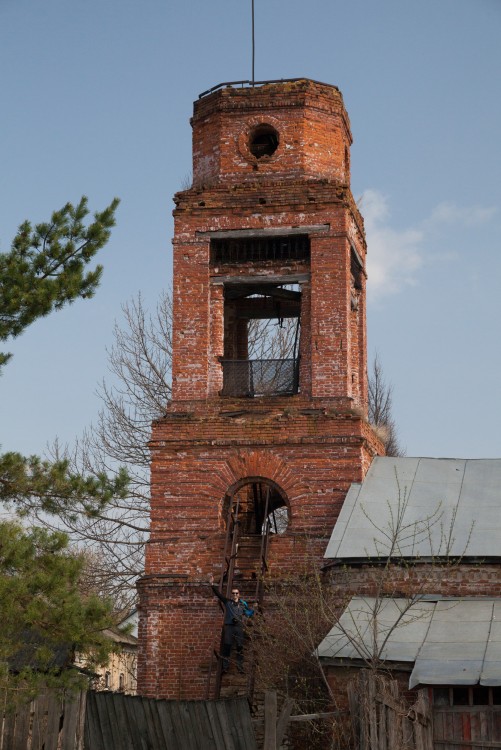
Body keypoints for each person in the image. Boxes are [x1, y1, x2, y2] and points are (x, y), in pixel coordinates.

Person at [209, 574, 254, 673]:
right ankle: (225, 666)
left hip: (238, 626)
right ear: (231, 595)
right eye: (233, 593)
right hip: (229, 626)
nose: (235, 595)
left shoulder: (243, 604)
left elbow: (249, 613)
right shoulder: (228, 602)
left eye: (236, 593)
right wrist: (212, 584)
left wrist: (253, 609)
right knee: (227, 646)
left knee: (239, 646)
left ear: (239, 594)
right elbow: (219, 595)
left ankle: (240, 665)